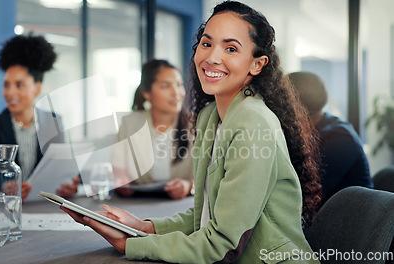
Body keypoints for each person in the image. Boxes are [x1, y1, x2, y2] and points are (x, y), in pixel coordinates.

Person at [62, 1, 322, 263]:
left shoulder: (252, 123)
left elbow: (222, 244)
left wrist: (133, 245)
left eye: (230, 48)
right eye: (207, 44)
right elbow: (208, 215)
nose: (212, 57)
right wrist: (146, 228)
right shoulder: (211, 117)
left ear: (257, 64)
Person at [58, 59, 194, 200]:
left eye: (179, 85)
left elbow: (210, 176)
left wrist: (188, 186)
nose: (176, 93)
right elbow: (119, 172)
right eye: (165, 86)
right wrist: (121, 183)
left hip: (183, 206)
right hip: (138, 204)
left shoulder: (195, 124)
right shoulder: (130, 124)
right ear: (147, 93)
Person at [0, 33, 58, 200]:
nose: (10, 92)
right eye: (6, 85)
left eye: (19, 85)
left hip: (43, 206)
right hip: (6, 207)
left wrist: (68, 184)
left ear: (37, 87)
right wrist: (4, 186)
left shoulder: (53, 122)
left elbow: (61, 168)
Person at [288, 71, 372, 203]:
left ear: (293, 106)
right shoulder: (315, 129)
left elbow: (308, 191)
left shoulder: (341, 139)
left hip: (348, 219)